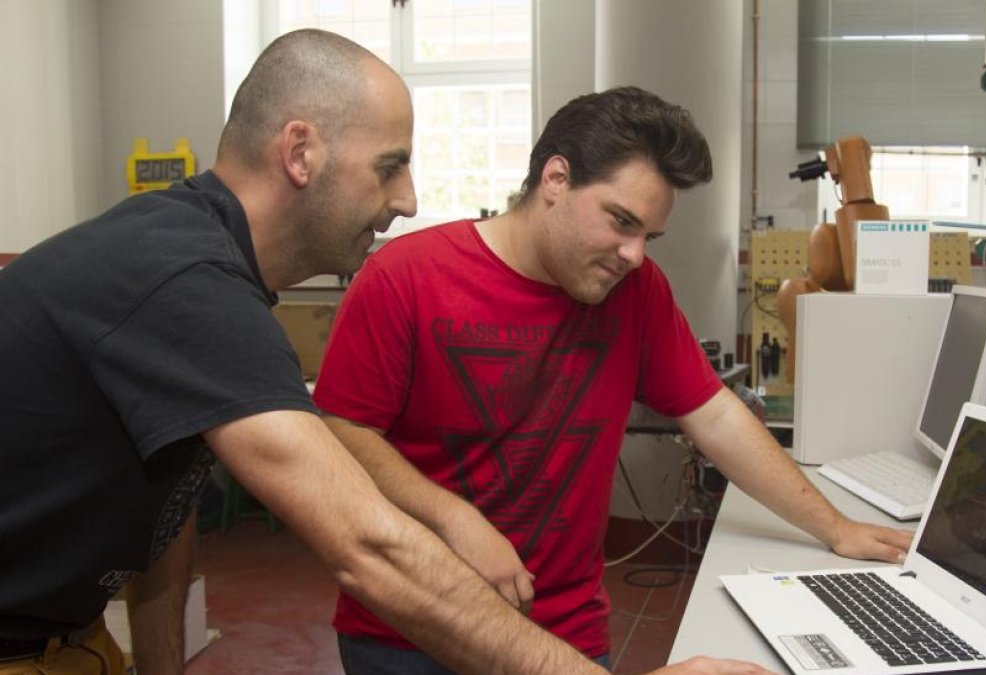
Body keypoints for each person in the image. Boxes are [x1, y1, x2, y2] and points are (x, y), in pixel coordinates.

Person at [0, 30, 769, 675]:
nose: (407, 199)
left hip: (71, 640)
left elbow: (163, 506)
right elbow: (371, 545)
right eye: (388, 165)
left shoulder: (201, 264)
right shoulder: (184, 280)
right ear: (300, 152)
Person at [314, 86, 915, 673]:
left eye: (648, 236)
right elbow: (343, 432)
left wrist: (836, 528)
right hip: (412, 630)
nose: (634, 254)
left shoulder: (637, 290)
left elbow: (715, 415)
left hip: (563, 629)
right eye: (621, 221)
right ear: (555, 180)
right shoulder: (404, 278)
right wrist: (454, 520)